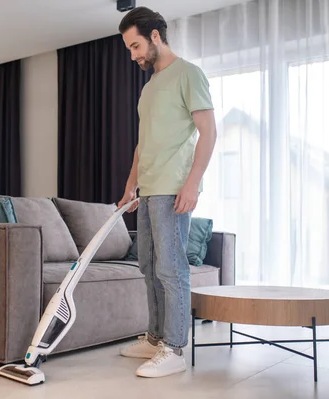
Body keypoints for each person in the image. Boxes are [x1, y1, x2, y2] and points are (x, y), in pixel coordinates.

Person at [117, 7, 217, 378]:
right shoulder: (148, 87)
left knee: (171, 269)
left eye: (136, 46)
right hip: (148, 189)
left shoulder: (188, 74)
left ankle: (174, 348)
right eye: (129, 49)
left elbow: (208, 131)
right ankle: (155, 337)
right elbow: (143, 144)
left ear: (156, 36)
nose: (134, 55)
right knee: (147, 266)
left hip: (173, 188)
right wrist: (130, 185)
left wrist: (192, 183)